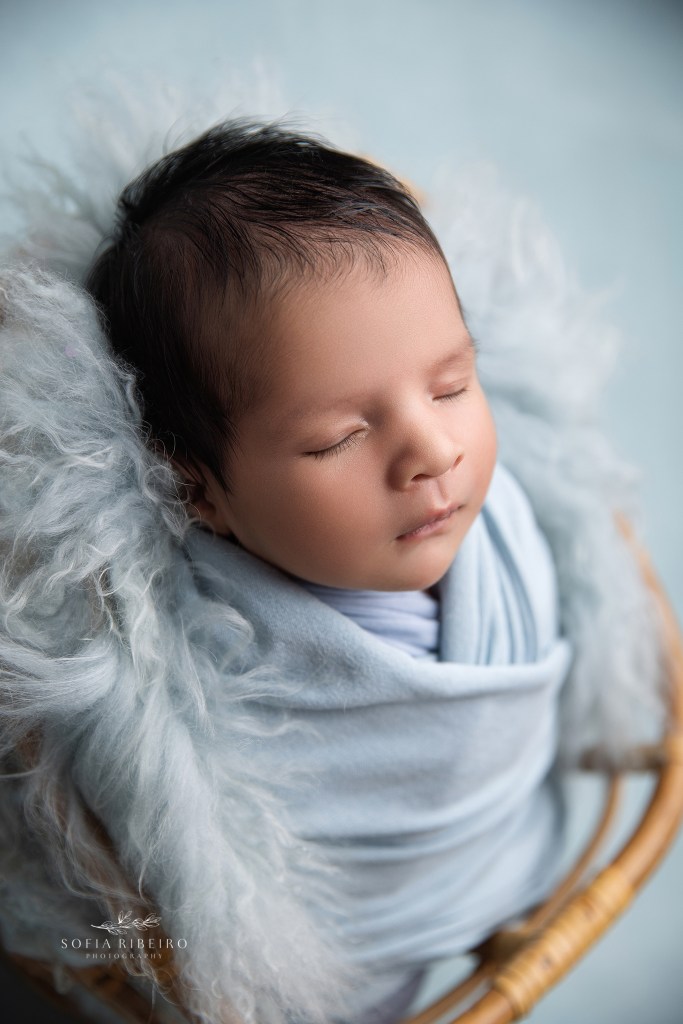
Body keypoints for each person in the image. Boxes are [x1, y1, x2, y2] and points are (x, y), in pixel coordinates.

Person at [0, 117, 662, 1024]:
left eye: (453, 384)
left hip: (512, 844)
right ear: (200, 493)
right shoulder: (188, 661)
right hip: (346, 964)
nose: (431, 451)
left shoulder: (520, 518)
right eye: (339, 438)